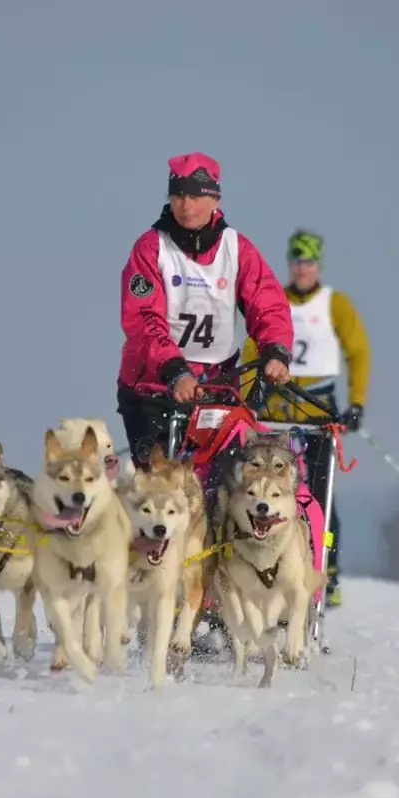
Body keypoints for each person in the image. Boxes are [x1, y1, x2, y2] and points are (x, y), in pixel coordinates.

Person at [115, 152, 295, 472]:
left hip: (217, 386)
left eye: (195, 196)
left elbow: (268, 306)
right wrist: (175, 371)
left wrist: (276, 350)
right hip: (154, 388)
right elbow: (143, 319)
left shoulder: (237, 250)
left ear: (215, 198)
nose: (186, 206)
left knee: (219, 484)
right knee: (163, 494)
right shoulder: (150, 248)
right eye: (178, 195)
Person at [239, 227, 370, 607]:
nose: (303, 268)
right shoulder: (275, 299)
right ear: (290, 263)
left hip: (317, 414)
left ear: (319, 265)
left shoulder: (335, 305)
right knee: (268, 491)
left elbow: (358, 352)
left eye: (309, 262)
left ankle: (328, 571)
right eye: (297, 261)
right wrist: (249, 397)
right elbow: (252, 347)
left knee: (320, 498)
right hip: (274, 414)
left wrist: (356, 402)